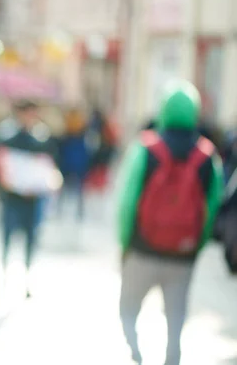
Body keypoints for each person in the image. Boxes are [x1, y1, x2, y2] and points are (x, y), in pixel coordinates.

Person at [117, 80, 224, 365]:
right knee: (176, 320)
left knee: (128, 310)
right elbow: (211, 208)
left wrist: (125, 243)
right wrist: (195, 247)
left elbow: (127, 202)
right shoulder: (208, 156)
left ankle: (134, 355)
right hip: (183, 255)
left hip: (141, 250)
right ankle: (171, 359)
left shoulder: (146, 148)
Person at [0, 100, 59, 297]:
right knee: (7, 238)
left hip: (33, 198)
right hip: (11, 197)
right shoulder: (7, 135)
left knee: (31, 239)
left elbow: (49, 165)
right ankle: (5, 275)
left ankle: (27, 279)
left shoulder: (42, 137)